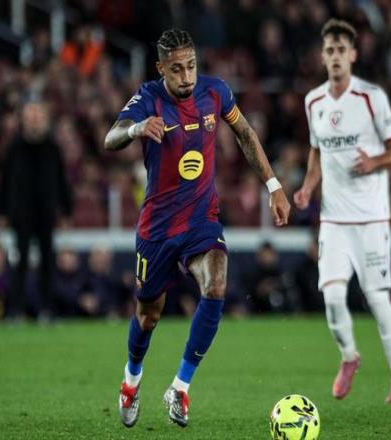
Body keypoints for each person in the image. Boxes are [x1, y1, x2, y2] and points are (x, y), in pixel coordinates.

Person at [104, 28, 290, 428]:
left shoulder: (215, 92)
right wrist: (137, 128)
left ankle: (181, 387)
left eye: (191, 66)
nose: (186, 76)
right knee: (148, 316)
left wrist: (274, 185)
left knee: (216, 284)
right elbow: (111, 137)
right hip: (157, 228)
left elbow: (245, 133)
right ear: (161, 68)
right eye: (177, 69)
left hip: (202, 219)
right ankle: (131, 380)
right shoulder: (148, 98)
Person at [294, 19, 391, 403]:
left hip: (371, 218)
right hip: (333, 220)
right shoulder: (314, 102)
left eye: (341, 50)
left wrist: (375, 162)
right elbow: (316, 152)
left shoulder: (371, 97)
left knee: (377, 298)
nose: (335, 57)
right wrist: (307, 188)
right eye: (329, 50)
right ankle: (349, 357)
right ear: (322, 57)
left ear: (353, 55)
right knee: (332, 298)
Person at [0, 99, 72, 320]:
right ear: (24, 120)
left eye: (38, 116)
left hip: (46, 213)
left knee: (48, 262)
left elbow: (61, 180)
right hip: (21, 214)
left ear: (44, 119)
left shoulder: (52, 148)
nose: (35, 120)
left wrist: (65, 210)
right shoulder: (14, 148)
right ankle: (16, 310)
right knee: (19, 262)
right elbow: (4, 182)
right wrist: (1, 211)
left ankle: (47, 310)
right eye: (31, 116)